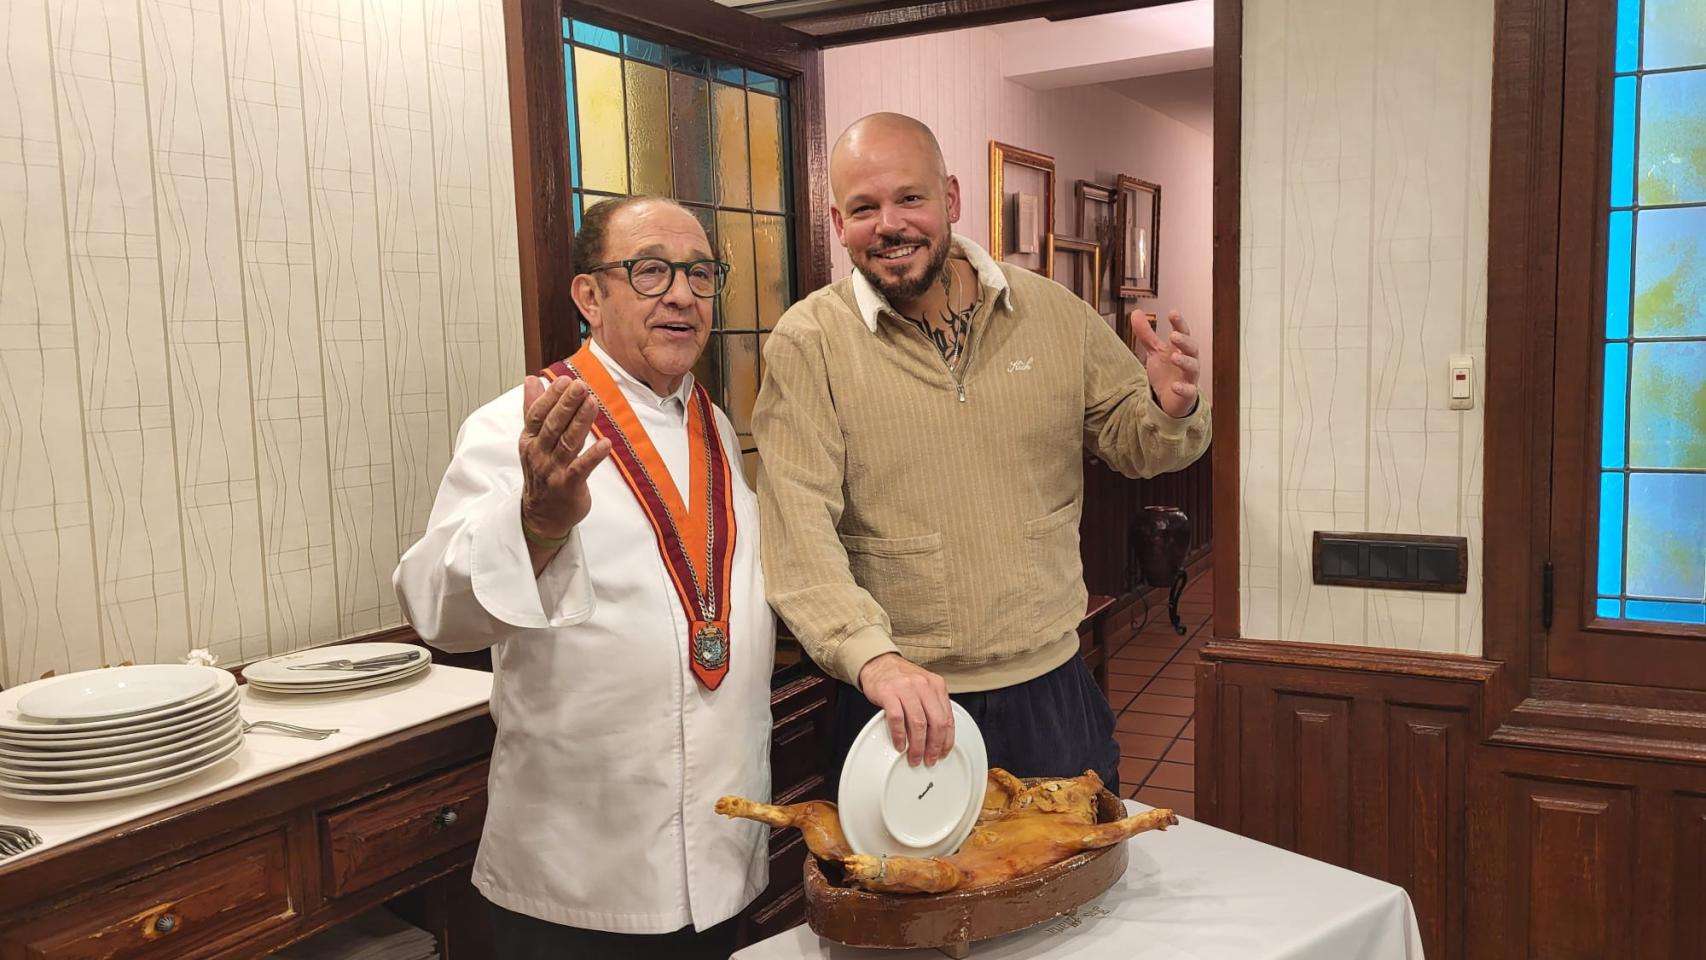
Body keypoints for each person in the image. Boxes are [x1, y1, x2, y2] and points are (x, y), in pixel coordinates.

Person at [752, 113, 1210, 794]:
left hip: (1051, 687)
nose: (889, 225)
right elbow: (798, 536)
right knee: (915, 870)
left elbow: (1136, 443)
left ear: (952, 198)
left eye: (910, 197)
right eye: (864, 208)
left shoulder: (1052, 312)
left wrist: (1169, 409)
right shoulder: (809, 341)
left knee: (1076, 863)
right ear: (838, 223)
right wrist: (871, 658)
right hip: (899, 701)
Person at [394, 195, 773, 960]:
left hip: (723, 843)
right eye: (650, 271)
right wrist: (537, 521)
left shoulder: (714, 423)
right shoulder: (517, 423)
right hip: (582, 872)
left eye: (700, 273)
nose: (682, 294)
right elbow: (436, 608)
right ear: (589, 296)